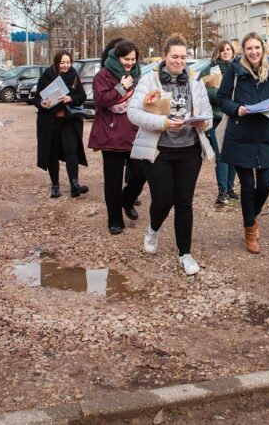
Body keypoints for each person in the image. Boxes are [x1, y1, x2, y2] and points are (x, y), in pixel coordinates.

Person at [127, 35, 214, 276]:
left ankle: (185, 253)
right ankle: (153, 230)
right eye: (174, 56)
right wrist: (163, 122)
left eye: (183, 57)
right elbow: (133, 113)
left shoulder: (196, 81)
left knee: (184, 202)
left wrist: (203, 124)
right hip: (159, 150)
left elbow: (207, 114)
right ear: (164, 56)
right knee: (163, 200)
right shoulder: (149, 80)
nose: (179, 61)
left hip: (189, 151)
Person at [217, 32, 269, 254]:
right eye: (249, 48)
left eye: (257, 48)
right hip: (240, 134)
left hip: (264, 134)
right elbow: (222, 98)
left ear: (263, 49)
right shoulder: (235, 71)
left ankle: (252, 217)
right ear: (243, 51)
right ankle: (249, 230)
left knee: (265, 184)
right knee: (247, 186)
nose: (253, 52)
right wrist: (238, 109)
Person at [88, 40, 147, 235]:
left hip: (134, 133)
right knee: (113, 180)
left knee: (141, 173)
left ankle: (127, 199)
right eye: (126, 59)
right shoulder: (103, 76)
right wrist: (121, 88)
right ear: (116, 57)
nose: (130, 63)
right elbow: (101, 101)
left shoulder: (138, 75)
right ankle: (114, 219)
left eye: (133, 59)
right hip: (111, 134)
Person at [34, 50, 88, 199]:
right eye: (62, 62)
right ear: (56, 62)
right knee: (52, 153)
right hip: (50, 122)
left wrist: (69, 98)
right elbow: (36, 98)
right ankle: (55, 185)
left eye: (68, 62)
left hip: (69, 120)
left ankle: (74, 185)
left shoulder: (74, 75)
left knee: (71, 150)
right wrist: (42, 104)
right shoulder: (47, 75)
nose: (66, 65)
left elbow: (82, 96)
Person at [197, 40, 238, 206]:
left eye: (229, 49)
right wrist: (221, 96)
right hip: (217, 117)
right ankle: (222, 191)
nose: (226, 52)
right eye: (223, 50)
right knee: (221, 155)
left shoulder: (239, 67)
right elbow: (201, 89)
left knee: (234, 155)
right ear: (218, 53)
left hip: (235, 117)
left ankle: (230, 187)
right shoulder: (210, 69)